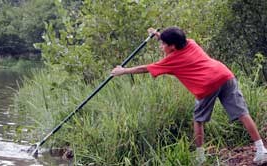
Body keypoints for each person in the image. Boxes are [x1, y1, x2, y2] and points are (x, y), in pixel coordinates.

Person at [111, 27, 267, 165]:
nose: (161, 47)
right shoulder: (190, 43)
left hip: (206, 84)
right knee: (242, 113)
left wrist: (123, 71)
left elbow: (145, 68)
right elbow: (175, 40)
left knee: (198, 120)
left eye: (163, 44)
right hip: (225, 75)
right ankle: (261, 150)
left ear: (172, 46)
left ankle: (200, 158)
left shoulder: (171, 60)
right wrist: (158, 34)